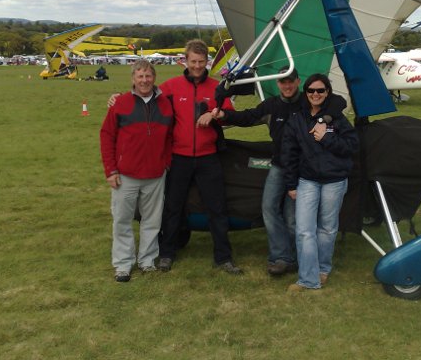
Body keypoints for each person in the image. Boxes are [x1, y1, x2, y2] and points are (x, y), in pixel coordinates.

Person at [212, 66, 346, 276]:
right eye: (283, 81)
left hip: (303, 168)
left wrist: (324, 119)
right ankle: (281, 256)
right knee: (268, 208)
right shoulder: (272, 105)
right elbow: (248, 117)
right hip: (279, 165)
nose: (287, 85)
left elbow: (339, 102)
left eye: (291, 81)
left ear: (298, 82)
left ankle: (296, 257)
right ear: (278, 83)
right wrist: (224, 115)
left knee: (292, 217)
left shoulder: (308, 100)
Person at [157, 39, 243, 275]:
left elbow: (230, 114)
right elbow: (145, 96)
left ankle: (223, 257)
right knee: (173, 207)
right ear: (185, 60)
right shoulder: (171, 86)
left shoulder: (217, 88)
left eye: (201, 62)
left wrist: (214, 114)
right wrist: (119, 96)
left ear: (207, 62)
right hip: (179, 157)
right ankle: (166, 253)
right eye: (193, 61)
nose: (197, 66)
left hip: (208, 157)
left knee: (217, 208)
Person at [281, 73, 359, 291]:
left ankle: (323, 270)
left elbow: (352, 146)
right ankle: (308, 279)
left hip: (334, 181)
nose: (315, 94)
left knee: (327, 229)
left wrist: (326, 138)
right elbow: (289, 153)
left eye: (320, 90)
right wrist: (291, 184)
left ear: (327, 93)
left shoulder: (337, 119)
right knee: (304, 230)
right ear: (306, 93)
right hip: (307, 180)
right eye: (311, 90)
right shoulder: (297, 119)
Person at [100, 59, 173, 282]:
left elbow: (170, 137)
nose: (144, 80)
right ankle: (123, 264)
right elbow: (107, 136)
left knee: (152, 221)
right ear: (133, 79)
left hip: (155, 175)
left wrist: (166, 163)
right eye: (140, 76)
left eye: (148, 76)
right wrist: (111, 170)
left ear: (154, 78)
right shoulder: (121, 103)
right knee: (122, 220)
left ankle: (147, 260)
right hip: (125, 175)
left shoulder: (165, 104)